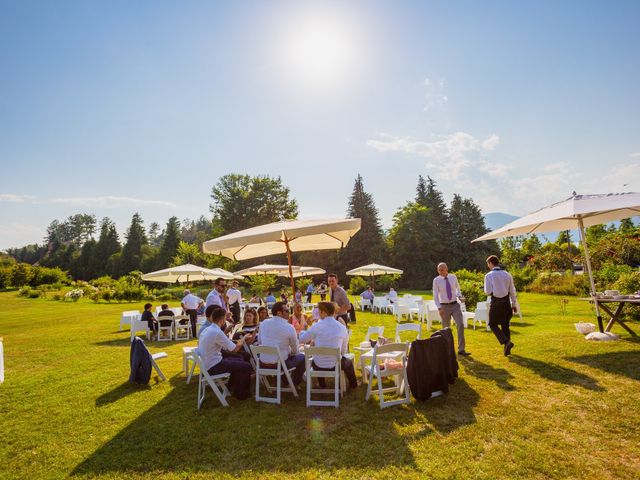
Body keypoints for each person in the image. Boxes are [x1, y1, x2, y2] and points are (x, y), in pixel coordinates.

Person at [198, 306, 255, 400]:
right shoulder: (216, 331)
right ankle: (242, 394)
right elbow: (235, 349)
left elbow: (226, 345)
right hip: (214, 366)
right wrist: (243, 338)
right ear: (222, 319)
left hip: (207, 364)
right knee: (246, 366)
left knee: (239, 359)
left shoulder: (208, 329)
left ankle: (232, 387)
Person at [299, 301, 357, 389]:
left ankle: (322, 385)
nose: (318, 314)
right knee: (348, 362)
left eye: (319, 311)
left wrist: (303, 330)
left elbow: (302, 339)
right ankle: (353, 385)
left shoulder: (316, 326)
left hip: (318, 365)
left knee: (316, 359)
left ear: (323, 312)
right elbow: (343, 351)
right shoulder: (342, 327)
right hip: (336, 365)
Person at [257, 301, 305, 386]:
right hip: (279, 365)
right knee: (302, 357)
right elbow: (295, 351)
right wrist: (289, 352)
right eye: (287, 311)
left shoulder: (263, 323)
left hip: (263, 363)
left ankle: (286, 381)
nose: (289, 313)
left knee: (284, 356)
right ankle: (294, 383)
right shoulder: (289, 327)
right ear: (279, 312)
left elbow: (260, 342)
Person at [432, 262, 470, 356]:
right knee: (446, 329)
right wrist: (439, 308)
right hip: (444, 306)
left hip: (455, 305)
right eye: (438, 270)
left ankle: (461, 349)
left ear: (446, 269)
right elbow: (435, 296)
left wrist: (460, 296)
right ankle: (447, 350)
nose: (440, 271)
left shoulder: (453, 277)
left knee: (460, 324)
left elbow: (458, 289)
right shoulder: (436, 280)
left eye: (442, 269)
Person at [484, 255, 518, 356]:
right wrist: (514, 304)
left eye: (488, 264)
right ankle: (507, 349)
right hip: (506, 303)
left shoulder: (488, 275)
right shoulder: (507, 274)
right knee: (505, 325)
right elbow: (512, 291)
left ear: (490, 263)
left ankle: (506, 342)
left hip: (496, 303)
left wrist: (485, 290)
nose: (488, 266)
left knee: (492, 324)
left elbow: (488, 291)